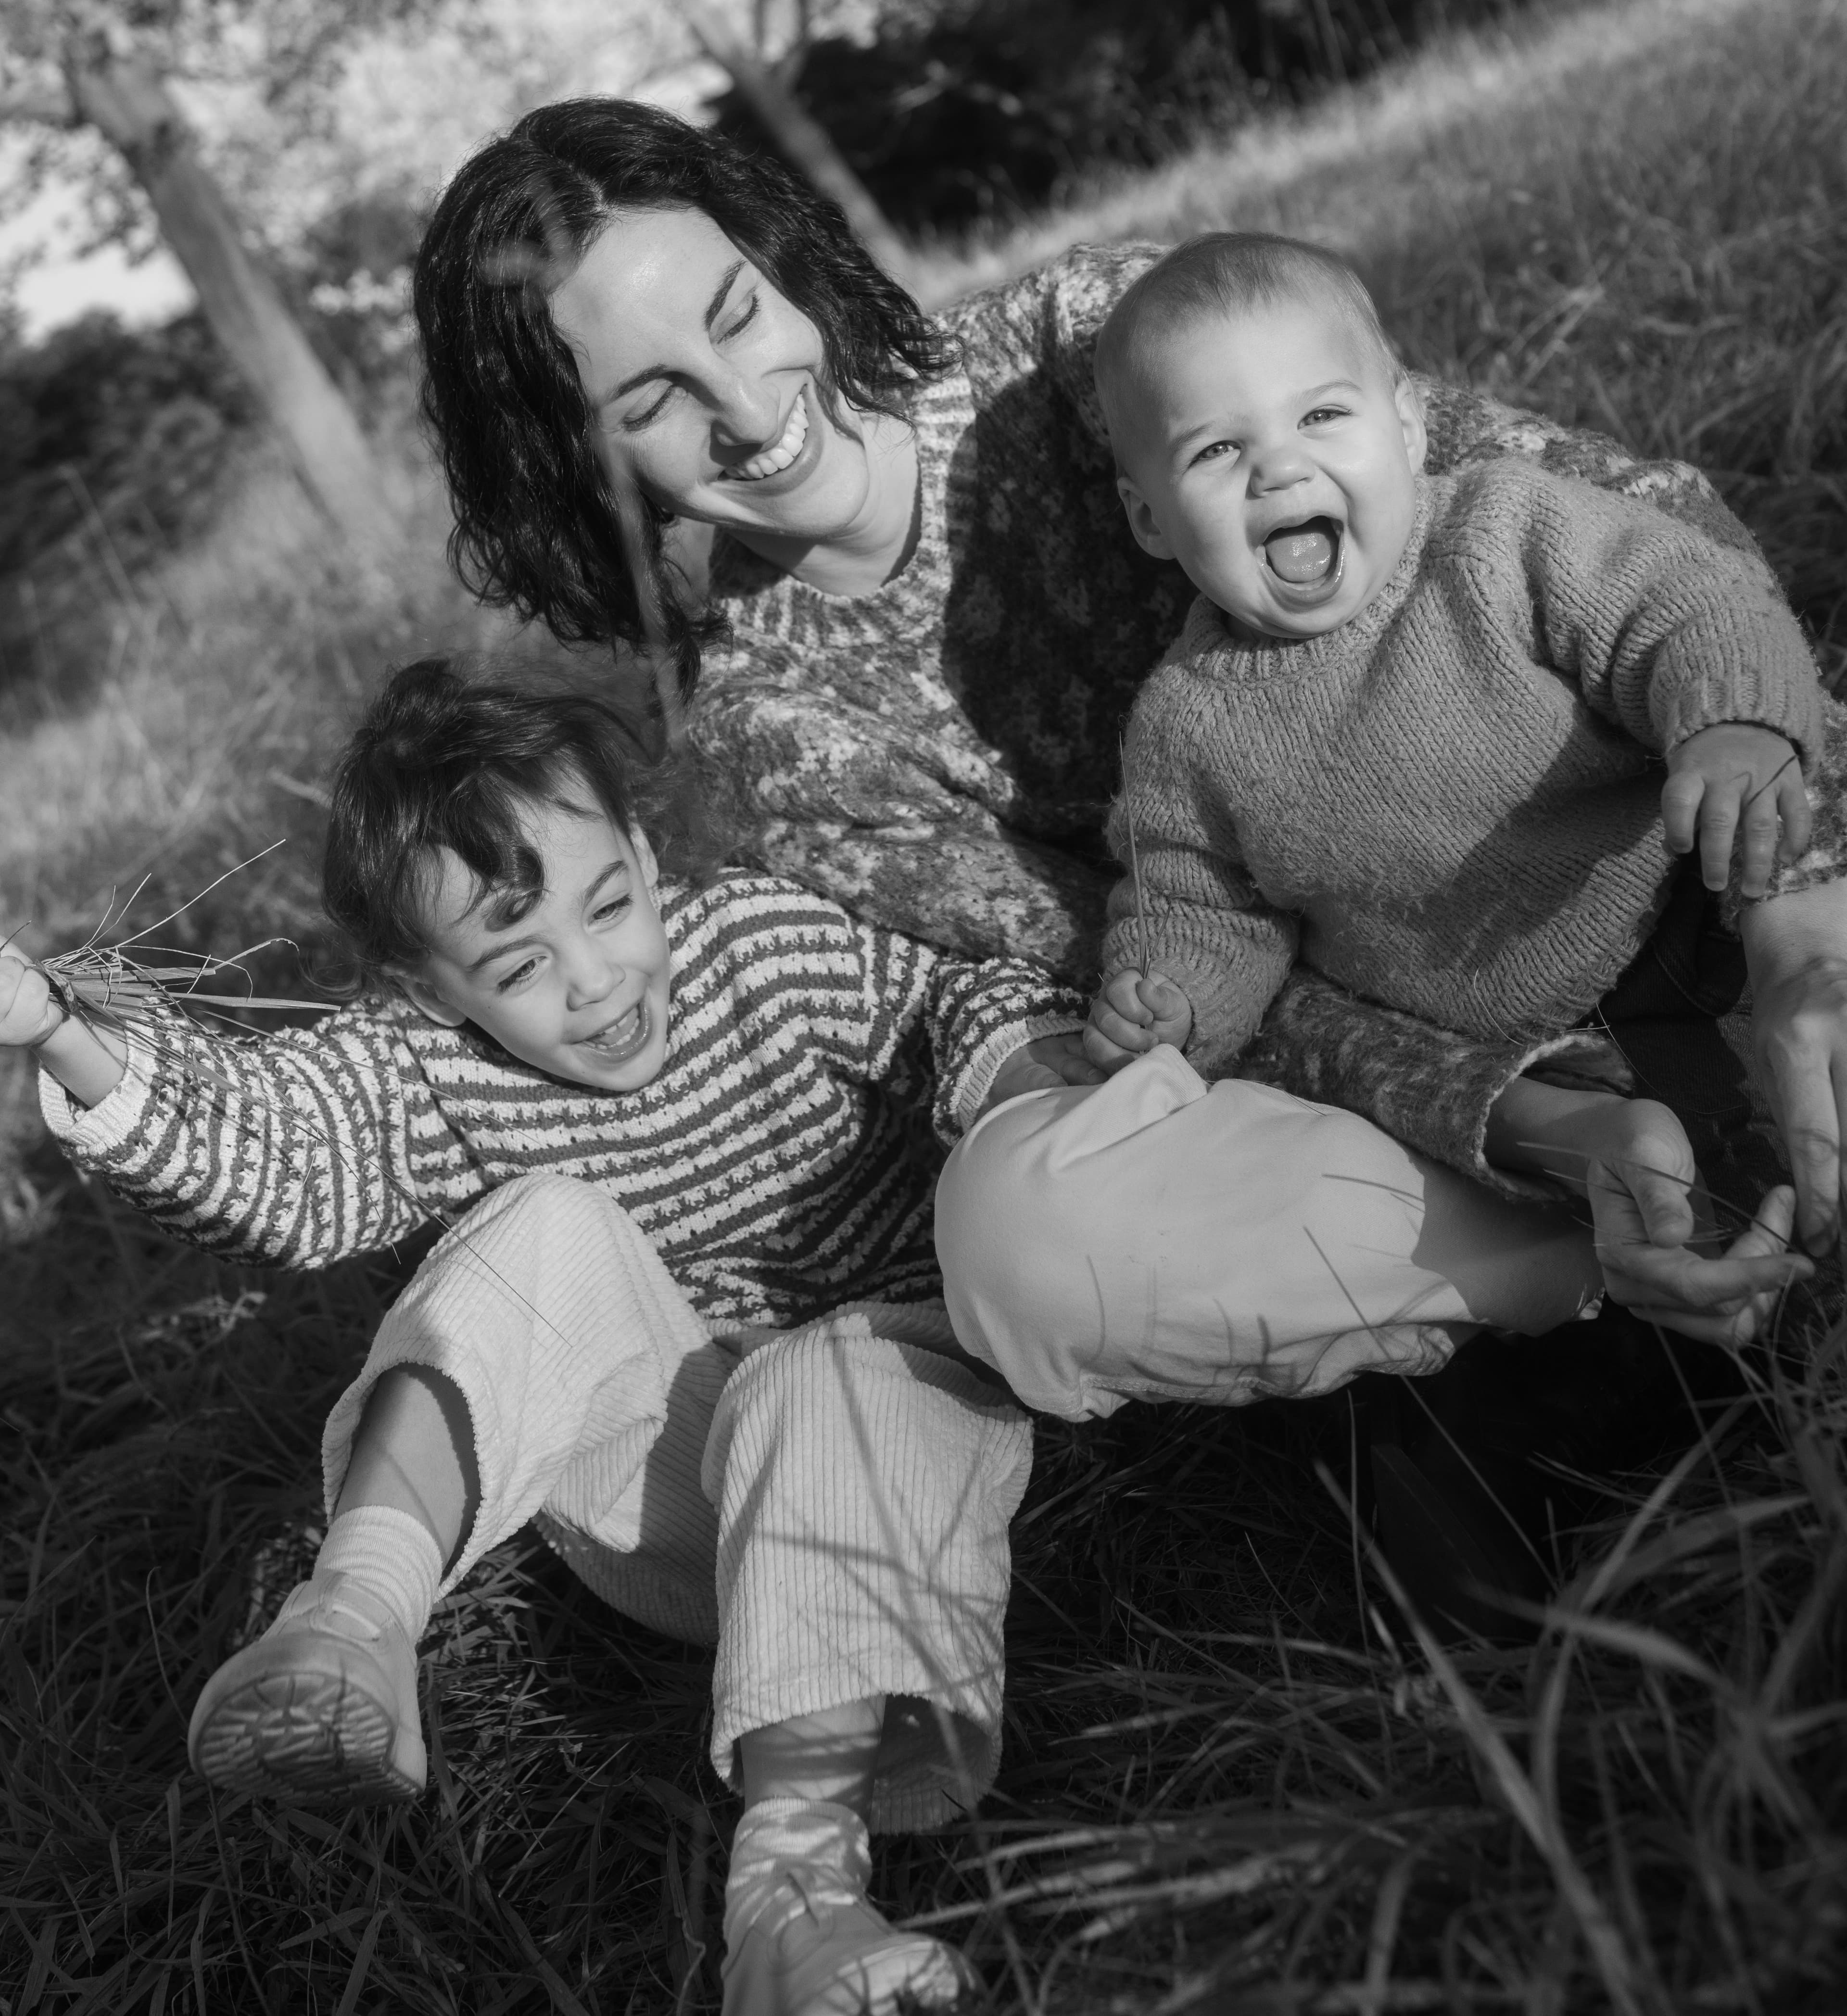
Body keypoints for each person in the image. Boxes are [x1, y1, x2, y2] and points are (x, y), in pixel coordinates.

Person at [410, 101, 1847, 1381]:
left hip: (1673, 843)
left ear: (782, 260)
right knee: (1029, 1232)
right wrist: (1535, 1124)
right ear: (578, 464)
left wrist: (1798, 920)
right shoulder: (767, 745)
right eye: (649, 401)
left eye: (734, 311)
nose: (744, 408)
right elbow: (1169, 984)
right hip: (1405, 1062)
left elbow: (1637, 536)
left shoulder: (1084, 348)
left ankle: (1733, 1129)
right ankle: (1599, 1255)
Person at [3, 660, 1094, 2016]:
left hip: (890, 1446)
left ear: (647, 856)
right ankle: (353, 1618)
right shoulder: (431, 1066)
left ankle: (795, 1901)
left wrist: (1030, 1085)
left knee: (838, 1374)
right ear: (434, 984)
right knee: (540, 1222)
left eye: (611, 903)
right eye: (519, 964)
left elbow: (952, 1000)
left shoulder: (762, 943)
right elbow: (278, 1153)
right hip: (673, 1493)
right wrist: (59, 1026)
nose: (591, 980)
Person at [1079, 229, 1821, 1327]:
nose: (1281, 467)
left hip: (1695, 886)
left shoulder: (1499, 532)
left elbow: (1680, 601)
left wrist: (1730, 726)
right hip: (1544, 1049)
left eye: (1321, 414)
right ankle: (1738, 1297)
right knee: (1715, 1196)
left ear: (1410, 421)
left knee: (1812, 1028)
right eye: (1215, 452)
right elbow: (1206, 905)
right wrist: (1173, 997)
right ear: (1150, 518)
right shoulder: (1188, 724)